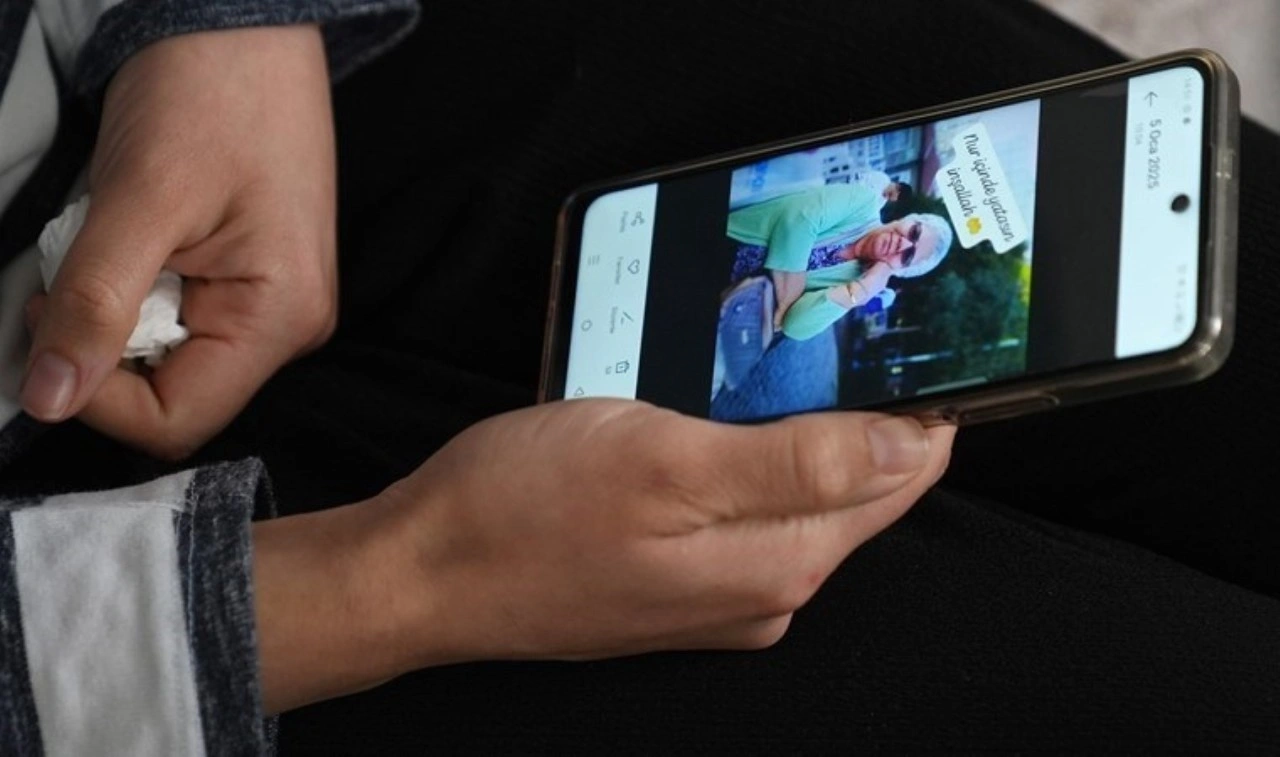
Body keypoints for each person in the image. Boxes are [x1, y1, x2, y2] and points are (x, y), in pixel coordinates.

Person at [1, 2, 1278, 755]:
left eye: (910, 252)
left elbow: (785, 307)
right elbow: (778, 280)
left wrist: (220, 23)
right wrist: (396, 583)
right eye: (906, 236)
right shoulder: (838, 213)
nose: (898, 247)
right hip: (144, 647)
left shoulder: (855, 275)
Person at [726, 184, 952, 339]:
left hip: (732, 300)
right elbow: (798, 219)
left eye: (908, 256)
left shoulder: (854, 283)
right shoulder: (863, 203)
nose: (902, 244)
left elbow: (796, 326)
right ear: (906, 219)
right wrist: (787, 303)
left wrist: (860, 291)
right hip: (730, 241)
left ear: (900, 270)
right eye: (914, 232)